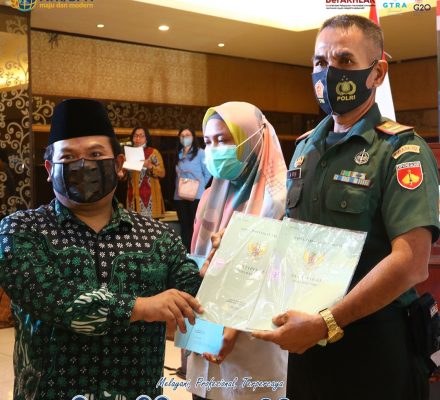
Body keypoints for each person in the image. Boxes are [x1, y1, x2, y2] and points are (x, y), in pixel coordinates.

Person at [252, 14, 440, 400]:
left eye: (345, 60)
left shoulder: (401, 151)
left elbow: (411, 262)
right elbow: (295, 235)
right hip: (306, 339)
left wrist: (327, 324)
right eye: (320, 62)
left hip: (374, 343)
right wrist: (250, 244)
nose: (329, 72)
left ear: (377, 73)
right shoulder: (305, 148)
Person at [0, 98, 203, 399]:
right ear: (49, 168)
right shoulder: (21, 230)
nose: (82, 165)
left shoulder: (158, 236)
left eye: (95, 154)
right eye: (68, 157)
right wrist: (141, 307)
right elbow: (55, 299)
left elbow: (196, 293)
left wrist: (219, 269)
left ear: (119, 165)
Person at [187, 101, 288, 400]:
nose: (214, 150)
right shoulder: (211, 196)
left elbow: (279, 275)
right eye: (208, 142)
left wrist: (232, 326)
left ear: (252, 140)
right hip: (205, 330)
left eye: (223, 140)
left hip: (252, 339)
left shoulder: (281, 199)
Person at [174, 127, 211, 252]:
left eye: (188, 135)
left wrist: (200, 185)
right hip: (179, 195)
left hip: (196, 195)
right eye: (182, 135)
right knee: (184, 225)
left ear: (193, 137)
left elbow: (208, 172)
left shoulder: (201, 153)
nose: (185, 137)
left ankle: (195, 251)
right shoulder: (178, 153)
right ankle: (185, 252)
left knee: (195, 225)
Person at [126, 126, 165, 219]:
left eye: (141, 136)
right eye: (135, 136)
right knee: (135, 225)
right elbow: (125, 176)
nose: (138, 138)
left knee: (151, 226)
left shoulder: (153, 152)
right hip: (133, 197)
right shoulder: (128, 154)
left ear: (146, 138)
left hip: (150, 197)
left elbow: (162, 173)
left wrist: (150, 166)